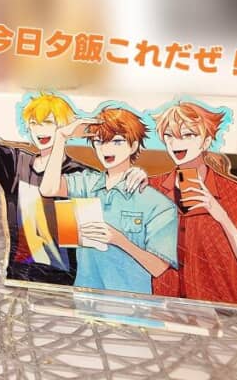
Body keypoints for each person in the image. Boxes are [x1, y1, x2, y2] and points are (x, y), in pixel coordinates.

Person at [0, 75, 145, 287]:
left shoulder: (80, 175)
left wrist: (136, 175)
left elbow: (114, 211)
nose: (41, 129)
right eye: (34, 123)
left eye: (49, 122)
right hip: (19, 272)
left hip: (64, 280)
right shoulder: (17, 162)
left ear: (66, 127)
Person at [39, 105, 178, 295]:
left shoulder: (158, 204)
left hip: (132, 303)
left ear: (133, 146)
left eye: (117, 141)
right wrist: (61, 137)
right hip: (85, 298)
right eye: (99, 141)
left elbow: (158, 268)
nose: (106, 148)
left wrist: (120, 241)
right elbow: (48, 189)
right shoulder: (87, 183)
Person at [147, 101, 237, 307]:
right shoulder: (149, 188)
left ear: (206, 141)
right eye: (169, 135)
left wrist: (222, 217)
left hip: (219, 311)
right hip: (161, 307)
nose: (176, 142)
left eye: (188, 134)